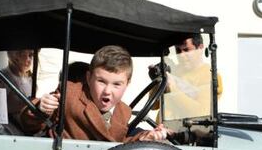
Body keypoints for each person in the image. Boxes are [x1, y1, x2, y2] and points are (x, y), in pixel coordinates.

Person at [20, 45, 170, 142]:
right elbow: (30, 125)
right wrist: (41, 108)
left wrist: (145, 137)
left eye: (117, 84)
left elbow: (118, 146)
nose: (107, 91)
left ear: (127, 84)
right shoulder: (70, 93)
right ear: (88, 78)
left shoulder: (124, 111)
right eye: (101, 81)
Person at [151, 34, 222, 122]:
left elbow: (201, 112)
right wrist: (157, 80)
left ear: (200, 48)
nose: (182, 55)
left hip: (186, 132)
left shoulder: (209, 76)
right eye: (178, 50)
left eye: (186, 50)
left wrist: (172, 87)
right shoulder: (173, 70)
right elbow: (153, 106)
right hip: (160, 130)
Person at [0, 50, 37, 125]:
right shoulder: (3, 77)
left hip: (27, 123)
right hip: (12, 127)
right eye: (27, 55)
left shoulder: (29, 76)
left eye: (31, 55)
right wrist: (27, 105)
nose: (29, 60)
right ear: (14, 56)